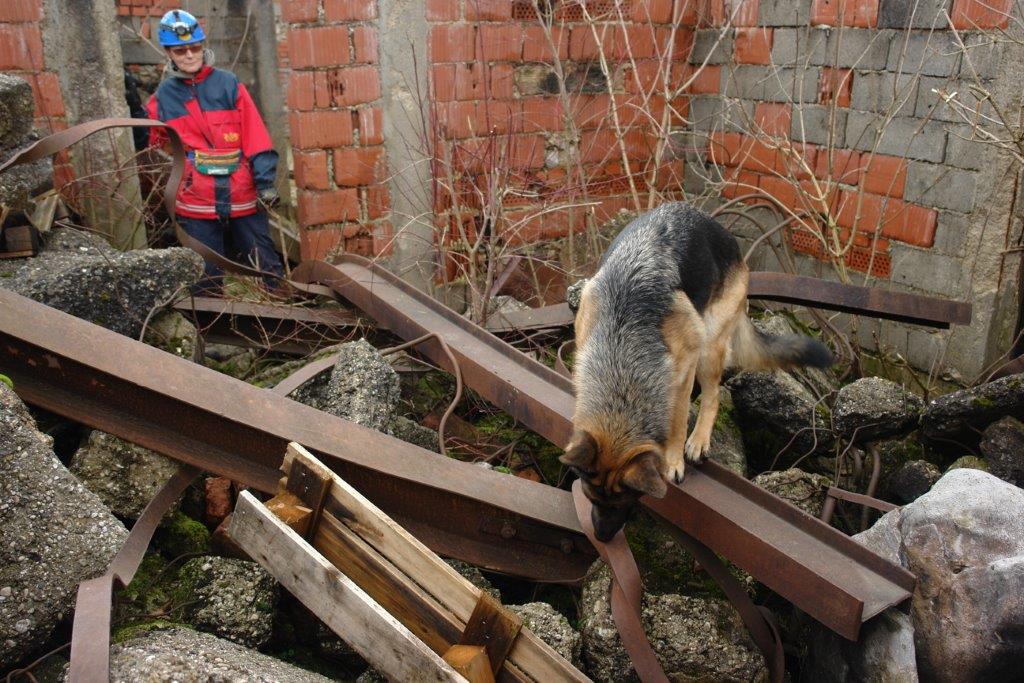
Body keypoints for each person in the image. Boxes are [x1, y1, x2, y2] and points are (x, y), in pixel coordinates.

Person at [146, 9, 283, 293]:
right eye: (180, 50)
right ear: (169, 53)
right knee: (204, 273)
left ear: (202, 46)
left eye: (195, 47)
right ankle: (210, 317)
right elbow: (155, 145)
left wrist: (265, 182)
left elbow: (255, 134)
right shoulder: (162, 99)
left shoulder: (228, 84)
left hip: (242, 190)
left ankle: (281, 303)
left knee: (264, 261)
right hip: (197, 197)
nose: (189, 55)